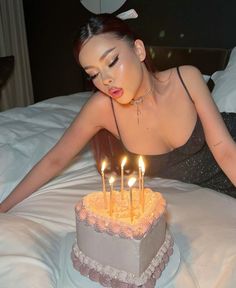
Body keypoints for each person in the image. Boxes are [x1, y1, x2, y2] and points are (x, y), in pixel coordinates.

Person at [1, 13, 236, 213]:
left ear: (139, 50)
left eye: (112, 61)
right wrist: (4, 208)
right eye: (93, 74)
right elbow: (56, 159)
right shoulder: (101, 108)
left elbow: (226, 152)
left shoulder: (187, 78)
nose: (105, 80)